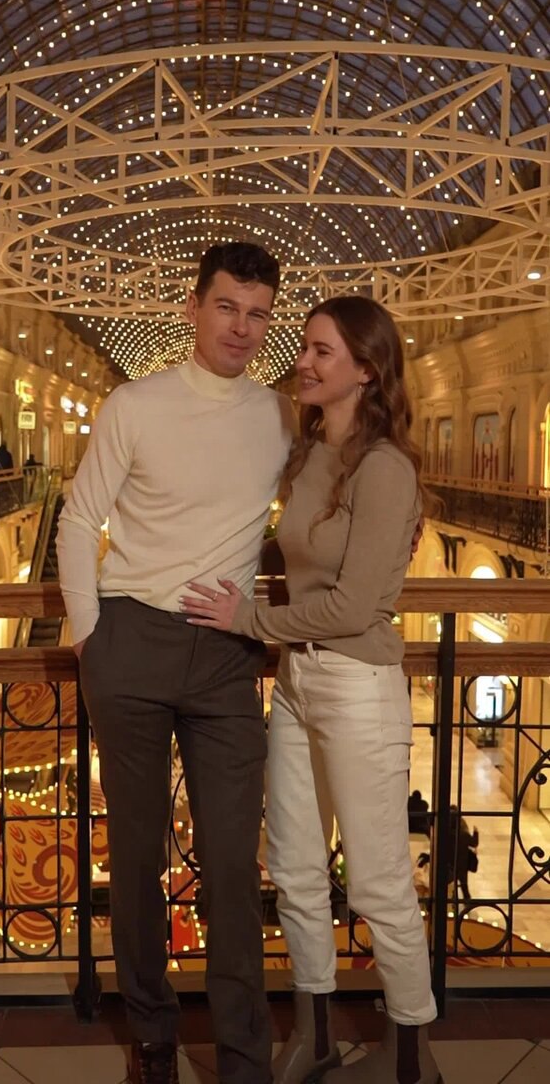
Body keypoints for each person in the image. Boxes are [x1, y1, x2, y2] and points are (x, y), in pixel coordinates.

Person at [181, 297, 441, 1084]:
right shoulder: (310, 455)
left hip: (357, 684)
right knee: (293, 868)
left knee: (378, 881)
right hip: (297, 681)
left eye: (322, 351)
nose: (303, 361)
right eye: (304, 346)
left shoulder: (383, 467)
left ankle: (410, 1059)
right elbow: (297, 559)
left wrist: (248, 618)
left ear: (366, 370)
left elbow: (354, 606)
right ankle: (314, 1034)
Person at [56, 242, 294, 1084]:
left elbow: (333, 481)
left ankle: (243, 1053)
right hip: (130, 642)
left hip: (227, 656)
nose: (241, 327)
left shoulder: (278, 416)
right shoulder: (136, 404)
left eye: (257, 314)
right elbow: (79, 519)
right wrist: (90, 635)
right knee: (137, 857)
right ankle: (153, 1033)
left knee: (231, 862)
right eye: (226, 306)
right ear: (193, 309)